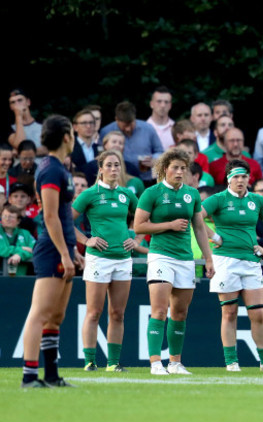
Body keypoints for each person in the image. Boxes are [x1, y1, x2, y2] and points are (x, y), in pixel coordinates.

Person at [134, 148, 214, 375]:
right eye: (175, 168)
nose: (179, 172)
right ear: (164, 169)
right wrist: (168, 225)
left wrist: (208, 258)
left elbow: (199, 227)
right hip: (160, 255)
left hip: (185, 259)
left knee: (179, 313)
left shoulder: (192, 194)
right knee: (159, 310)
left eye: (183, 168)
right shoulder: (152, 193)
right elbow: (139, 226)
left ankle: (175, 362)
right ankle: (155, 363)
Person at [201, 159, 263, 371]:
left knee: (258, 313)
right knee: (229, 313)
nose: (240, 180)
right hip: (225, 261)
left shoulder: (257, 200)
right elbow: (196, 217)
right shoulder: (217, 199)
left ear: (249, 178)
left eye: (244, 176)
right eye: (236, 176)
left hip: (251, 261)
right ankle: (231, 361)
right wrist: (214, 236)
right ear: (228, 178)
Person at [21, 115, 79, 388]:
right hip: (51, 249)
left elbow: (63, 216)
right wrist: (65, 254)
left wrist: (72, 252)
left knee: (56, 316)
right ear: (66, 136)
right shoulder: (51, 169)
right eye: (73, 132)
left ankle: (52, 376)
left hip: (62, 248)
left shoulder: (58, 168)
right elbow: (51, 217)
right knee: (40, 313)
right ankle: (29, 376)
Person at [72, 150, 139, 372]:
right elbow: (66, 220)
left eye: (117, 165)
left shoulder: (127, 195)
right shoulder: (90, 194)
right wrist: (85, 239)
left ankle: (113, 363)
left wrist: (135, 238)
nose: (113, 169)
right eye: (109, 165)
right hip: (99, 259)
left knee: (117, 313)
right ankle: (90, 361)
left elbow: (144, 217)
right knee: (94, 312)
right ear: (100, 169)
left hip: (122, 260)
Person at [99, 101, 164, 184]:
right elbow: (100, 154)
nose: (128, 129)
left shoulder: (148, 128)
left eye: (131, 124)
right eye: (124, 126)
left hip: (146, 179)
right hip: (118, 180)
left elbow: (160, 151)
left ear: (134, 118)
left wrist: (154, 159)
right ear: (116, 119)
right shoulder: (106, 131)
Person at [8, 88, 45, 155]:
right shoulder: (10, 129)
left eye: (20, 100)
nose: (17, 104)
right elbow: (20, 145)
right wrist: (18, 116)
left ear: (28, 102)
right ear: (11, 107)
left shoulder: (43, 124)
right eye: (13, 102)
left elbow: (50, 149)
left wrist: (22, 153)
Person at [0, 205, 35, 276]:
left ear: (18, 221)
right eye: (4, 216)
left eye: (11, 217)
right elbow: (1, 249)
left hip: (21, 278)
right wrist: (21, 249)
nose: (7, 219)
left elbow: (35, 250)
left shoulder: (25, 233)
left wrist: (20, 255)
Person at [147, 86, 175, 151]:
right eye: (159, 101)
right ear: (151, 104)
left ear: (170, 105)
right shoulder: (143, 129)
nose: (163, 105)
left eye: (166, 102)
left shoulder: (176, 129)